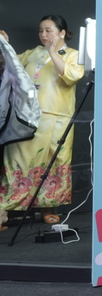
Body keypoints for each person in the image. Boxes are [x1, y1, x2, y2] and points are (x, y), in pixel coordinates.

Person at [0, 15, 85, 226]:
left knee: (53, 162)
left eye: (48, 30)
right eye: (41, 31)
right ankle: (4, 212)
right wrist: (4, 45)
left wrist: (53, 52)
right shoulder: (33, 53)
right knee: (18, 161)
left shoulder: (73, 54)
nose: (43, 35)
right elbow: (8, 63)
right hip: (27, 116)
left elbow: (72, 76)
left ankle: (47, 208)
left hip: (57, 117)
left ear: (62, 32)